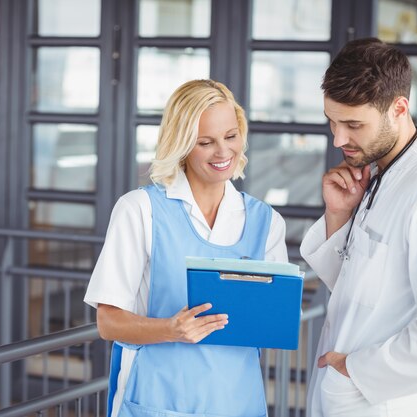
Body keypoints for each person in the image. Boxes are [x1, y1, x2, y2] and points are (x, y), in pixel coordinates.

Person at [300, 38, 417, 417]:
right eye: (332, 121)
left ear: (398, 108)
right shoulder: (381, 174)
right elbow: (368, 290)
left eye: (353, 124)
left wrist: (355, 372)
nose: (338, 139)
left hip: (384, 403)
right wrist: (339, 216)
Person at [84, 79, 288, 417]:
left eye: (231, 136)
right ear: (181, 144)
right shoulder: (140, 209)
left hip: (237, 401)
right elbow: (108, 322)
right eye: (205, 142)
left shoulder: (265, 222)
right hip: (158, 399)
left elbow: (272, 320)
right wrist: (169, 329)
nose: (223, 152)